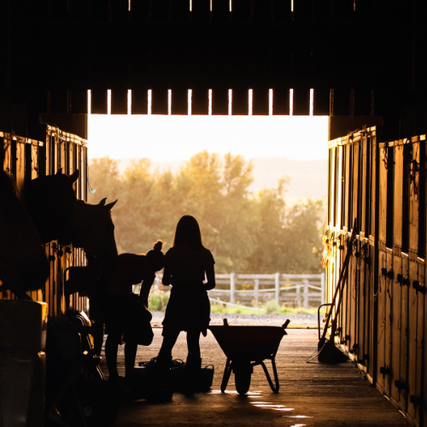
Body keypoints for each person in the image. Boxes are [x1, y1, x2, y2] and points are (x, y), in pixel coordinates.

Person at [156, 215, 215, 393]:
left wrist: (180, 281)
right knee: (193, 342)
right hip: (197, 298)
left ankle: (160, 383)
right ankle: (191, 385)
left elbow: (166, 280)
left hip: (179, 297)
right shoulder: (205, 254)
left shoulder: (172, 254)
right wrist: (196, 284)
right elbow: (211, 284)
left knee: (168, 341)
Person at [104, 241, 164, 384]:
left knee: (132, 334)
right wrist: (130, 297)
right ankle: (113, 375)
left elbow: (143, 298)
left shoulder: (149, 273)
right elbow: (111, 287)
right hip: (108, 292)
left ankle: (129, 374)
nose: (151, 273)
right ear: (147, 262)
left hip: (124, 294)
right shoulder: (128, 262)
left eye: (154, 271)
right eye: (151, 269)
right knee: (114, 333)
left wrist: (143, 316)